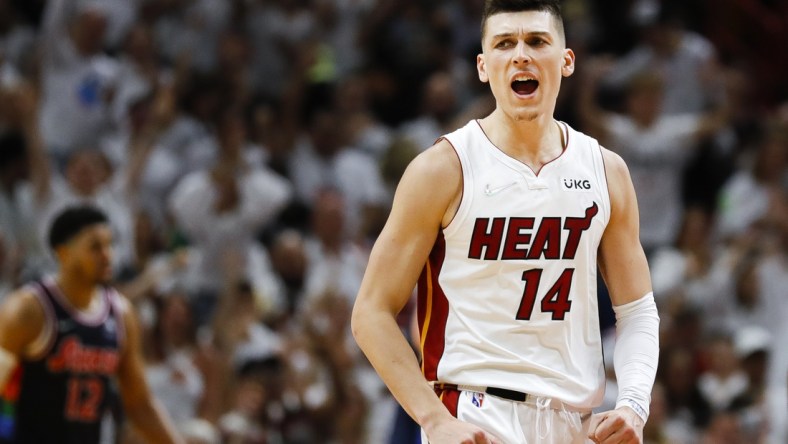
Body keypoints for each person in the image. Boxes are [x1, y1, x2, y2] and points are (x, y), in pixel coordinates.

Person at [351, 1, 660, 443]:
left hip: (573, 423)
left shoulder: (606, 171)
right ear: (482, 66)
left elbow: (638, 311)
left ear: (567, 60)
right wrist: (434, 419)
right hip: (475, 415)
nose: (521, 55)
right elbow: (370, 312)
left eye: (536, 41)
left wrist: (633, 403)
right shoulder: (443, 168)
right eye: (504, 44)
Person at [0, 205, 183, 443]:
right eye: (95, 247)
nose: (107, 255)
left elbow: (139, 404)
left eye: (110, 245)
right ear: (63, 253)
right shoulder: (29, 310)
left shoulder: (120, 313)